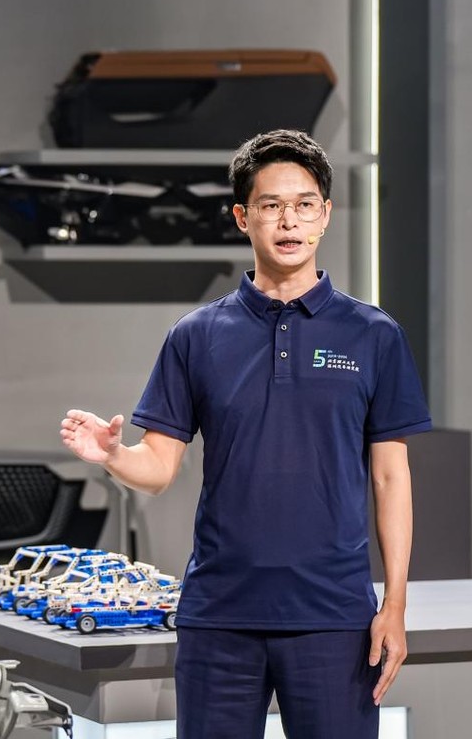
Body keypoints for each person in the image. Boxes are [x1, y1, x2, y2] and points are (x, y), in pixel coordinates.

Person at [59, 128, 431, 739]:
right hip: (220, 616)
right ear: (242, 217)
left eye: (304, 205)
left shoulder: (374, 335)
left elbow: (392, 478)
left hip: (334, 617)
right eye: (271, 205)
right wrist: (113, 455)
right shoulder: (197, 336)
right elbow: (158, 467)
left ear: (325, 215)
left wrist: (394, 604)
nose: (289, 221)